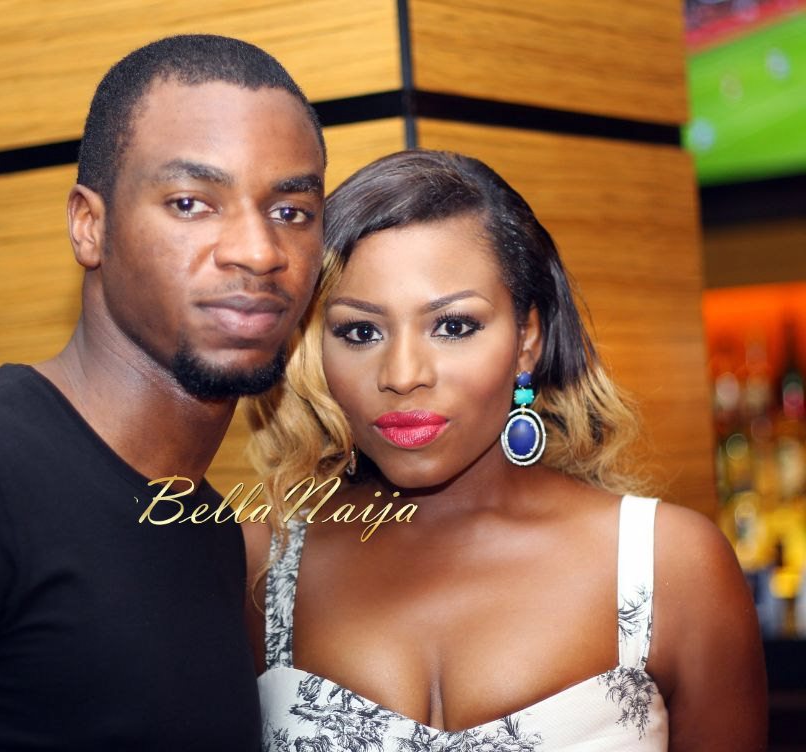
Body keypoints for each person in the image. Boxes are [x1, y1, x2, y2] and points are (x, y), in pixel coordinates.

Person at [0, 34, 326, 750]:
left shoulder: (208, 532)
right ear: (89, 225)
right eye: (190, 203)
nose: (259, 251)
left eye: (291, 212)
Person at [244, 150, 767, 751]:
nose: (403, 374)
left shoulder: (670, 566)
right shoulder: (262, 569)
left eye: (453, 326)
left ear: (527, 339)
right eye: (361, 331)